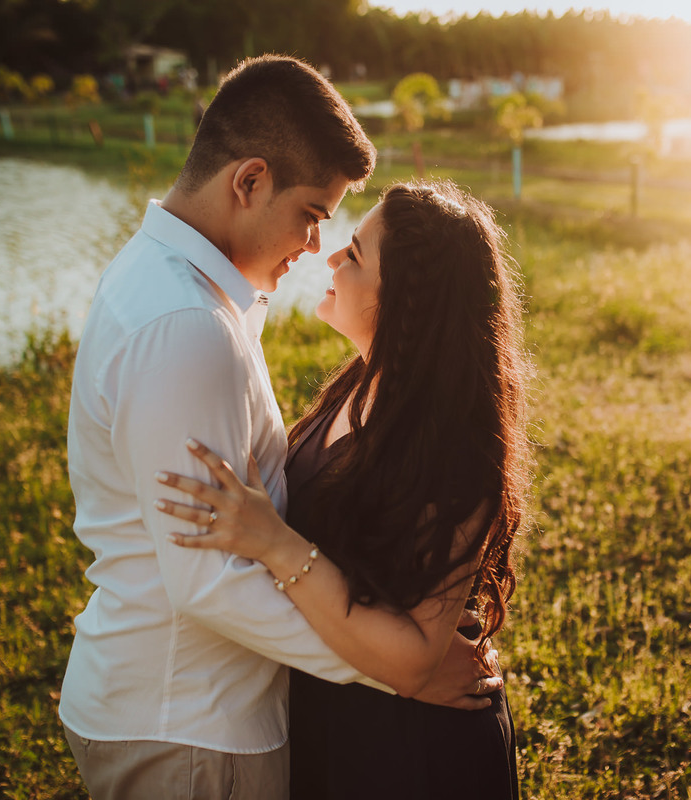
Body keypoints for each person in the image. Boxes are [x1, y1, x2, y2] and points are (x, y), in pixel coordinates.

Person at [59, 57, 499, 800]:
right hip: (192, 720)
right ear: (249, 181)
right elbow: (206, 581)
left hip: (201, 712)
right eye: (311, 214)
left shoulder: (180, 291)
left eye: (336, 233)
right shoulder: (185, 325)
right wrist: (402, 669)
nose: (312, 246)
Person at [156, 180, 530, 799]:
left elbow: (413, 659)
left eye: (354, 253)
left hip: (414, 754)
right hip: (335, 722)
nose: (330, 257)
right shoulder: (357, 385)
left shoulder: (457, 449)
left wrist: (275, 545)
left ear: (405, 301)